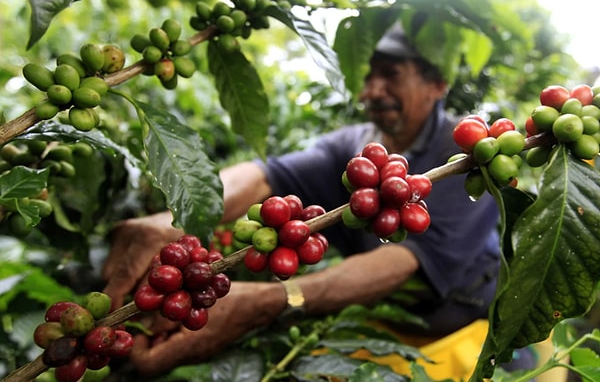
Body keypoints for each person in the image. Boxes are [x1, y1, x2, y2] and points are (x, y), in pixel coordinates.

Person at [102, 23, 512, 376]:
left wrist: (272, 300)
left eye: (390, 74)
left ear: (436, 84)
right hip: (381, 323)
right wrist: (177, 216)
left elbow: (404, 259)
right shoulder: (356, 148)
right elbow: (265, 176)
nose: (372, 91)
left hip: (462, 330)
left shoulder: (464, 157)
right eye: (366, 77)